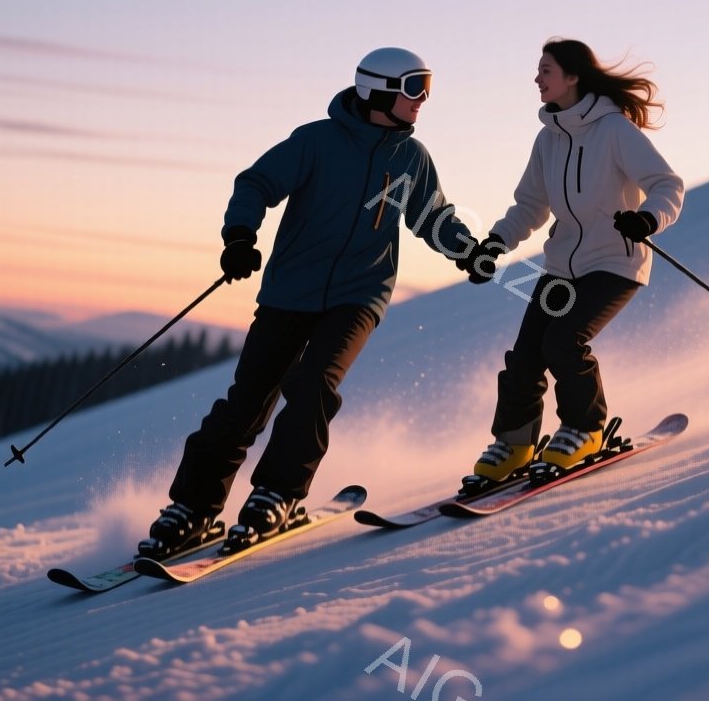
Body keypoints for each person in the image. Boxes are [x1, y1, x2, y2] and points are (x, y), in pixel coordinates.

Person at [140, 47, 486, 558]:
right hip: (289, 291)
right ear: (378, 90)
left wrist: (467, 252)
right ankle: (193, 506)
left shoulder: (410, 158)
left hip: (359, 294)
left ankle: (277, 493)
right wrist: (239, 236)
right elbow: (256, 183)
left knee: (314, 385)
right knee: (247, 401)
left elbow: (430, 216)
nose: (423, 100)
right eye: (415, 88)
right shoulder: (316, 142)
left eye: (427, 88)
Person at [460, 38, 684, 486]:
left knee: (563, 340)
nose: (537, 78)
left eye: (546, 69)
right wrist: (495, 244)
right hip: (562, 266)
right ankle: (516, 443)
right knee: (525, 355)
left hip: (615, 263)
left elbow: (667, 185)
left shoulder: (614, 130)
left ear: (573, 76)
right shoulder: (548, 139)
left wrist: (646, 218)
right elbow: (530, 206)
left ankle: (585, 429)